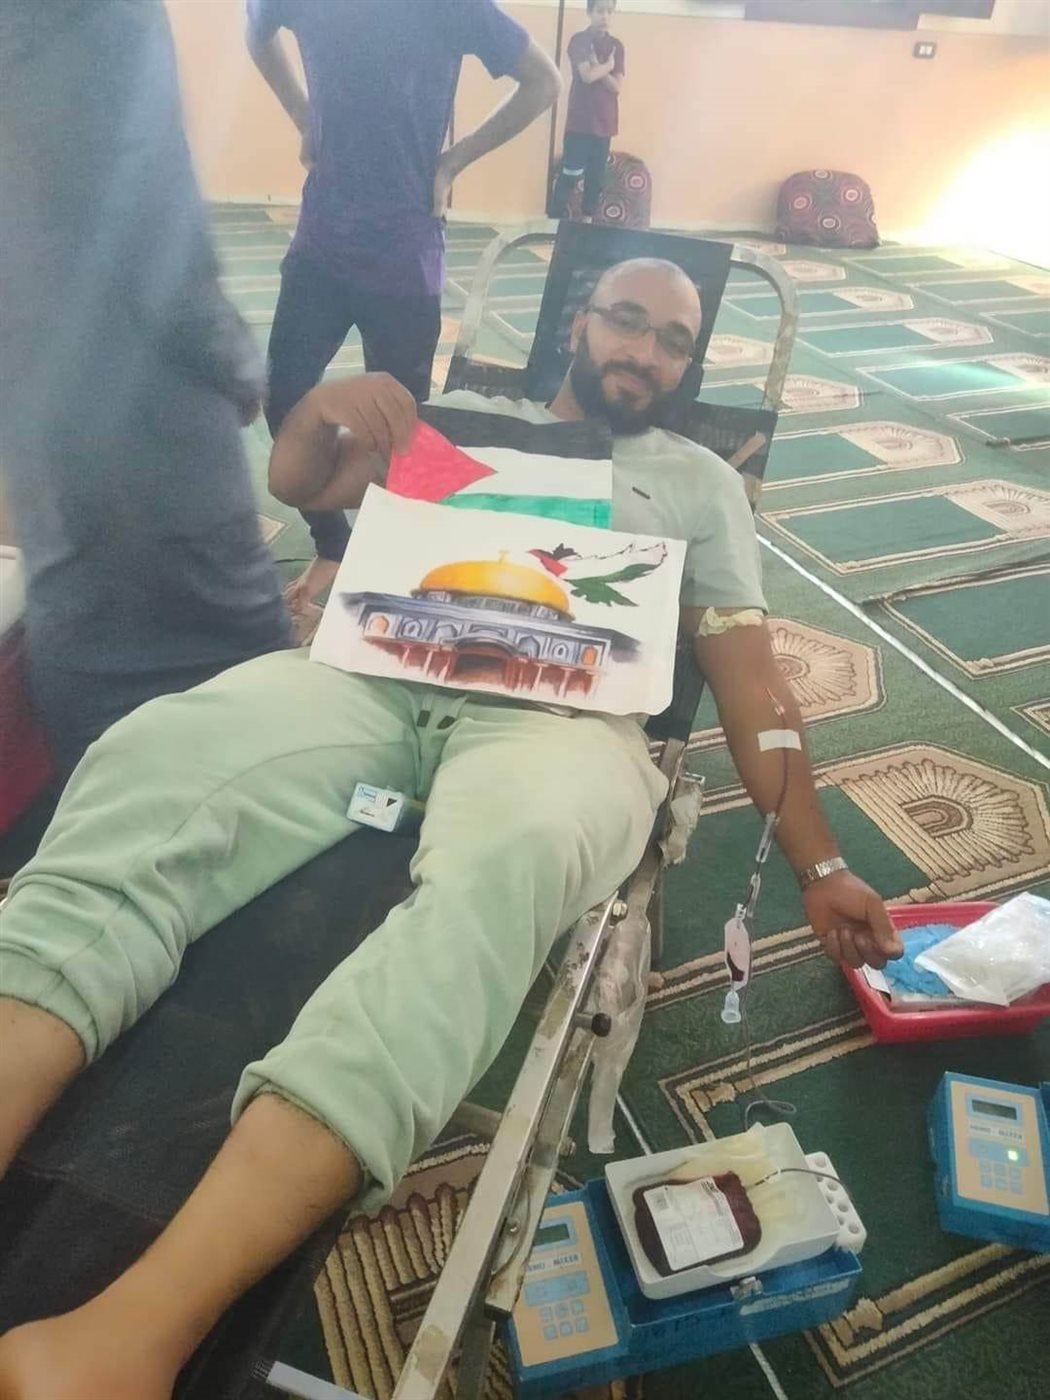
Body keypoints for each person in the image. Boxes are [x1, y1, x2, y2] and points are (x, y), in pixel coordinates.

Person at [0, 259, 902, 1398]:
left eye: (672, 340)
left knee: (510, 863)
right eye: (625, 320)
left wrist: (821, 862)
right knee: (157, 759)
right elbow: (301, 478)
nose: (643, 351)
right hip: (372, 679)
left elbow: (753, 682)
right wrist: (321, 413)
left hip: (563, 724)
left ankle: (135, 1332)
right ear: (576, 323)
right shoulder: (458, 425)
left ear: (687, 362)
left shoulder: (698, 481)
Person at [0, 0, 290, 780]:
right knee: (242, 736)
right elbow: (150, 226)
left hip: (50, 428)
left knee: (105, 734)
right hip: (151, 444)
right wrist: (238, 363)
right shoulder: (98, 16)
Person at [246, 0, 561, 620]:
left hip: (405, 252)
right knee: (283, 398)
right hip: (321, 240)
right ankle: (333, 544)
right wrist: (302, 115)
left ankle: (388, 559)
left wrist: (454, 160)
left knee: (401, 428)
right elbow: (258, 31)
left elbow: (543, 81)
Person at [551, 0, 625, 222]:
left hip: (605, 124)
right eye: (600, 11)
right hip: (580, 122)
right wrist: (607, 67)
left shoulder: (617, 46)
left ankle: (586, 225)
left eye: (610, 11)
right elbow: (586, 76)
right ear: (589, 12)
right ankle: (553, 224)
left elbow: (617, 87)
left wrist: (601, 67)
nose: (605, 16)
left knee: (595, 179)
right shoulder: (579, 41)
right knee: (569, 175)